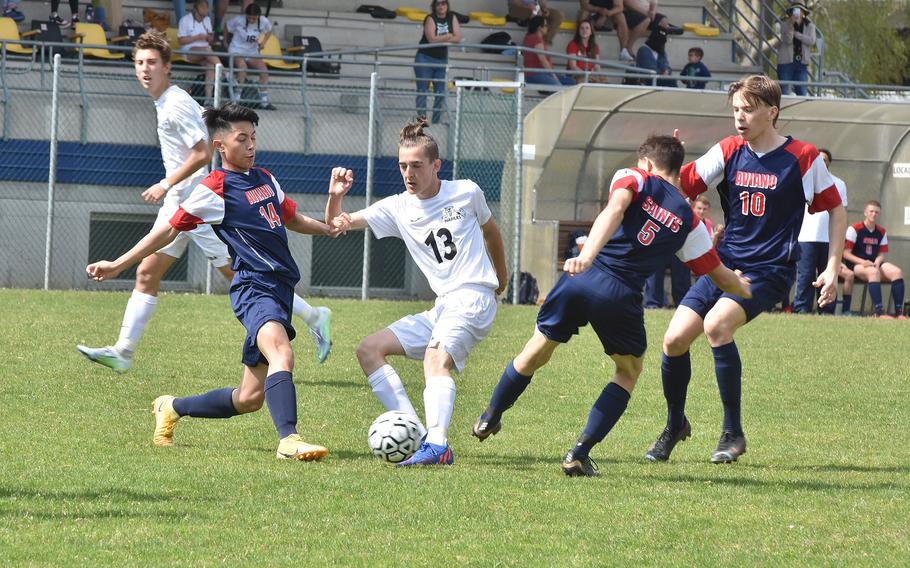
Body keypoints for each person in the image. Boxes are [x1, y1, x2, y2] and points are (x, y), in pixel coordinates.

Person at [471, 135, 751, 477]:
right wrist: (742, 286)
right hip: (620, 295)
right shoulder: (691, 223)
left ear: (646, 163)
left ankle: (490, 416)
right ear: (678, 169)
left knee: (537, 350)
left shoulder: (633, 177)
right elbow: (717, 273)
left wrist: (586, 256)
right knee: (628, 371)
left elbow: (615, 209)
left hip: (580, 278)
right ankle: (578, 452)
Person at [86, 104, 341, 460]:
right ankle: (289, 440)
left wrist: (326, 228)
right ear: (221, 145)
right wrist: (119, 264)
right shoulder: (215, 188)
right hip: (254, 287)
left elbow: (291, 218)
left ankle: (171, 407)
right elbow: (168, 230)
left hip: (280, 289)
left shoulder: (265, 178)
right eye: (242, 138)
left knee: (249, 398)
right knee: (283, 352)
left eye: (253, 137)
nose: (251, 145)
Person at [77, 32, 332, 374]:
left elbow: (203, 151)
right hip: (191, 201)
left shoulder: (175, 103)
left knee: (241, 276)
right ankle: (123, 350)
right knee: (150, 272)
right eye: (139, 63)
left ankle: (312, 319)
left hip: (204, 205)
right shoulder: (169, 101)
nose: (144, 69)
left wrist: (166, 183)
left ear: (167, 67)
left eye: (152, 62)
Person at [645, 75, 845, 464]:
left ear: (772, 112)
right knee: (673, 341)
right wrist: (671, 161)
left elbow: (836, 208)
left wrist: (833, 266)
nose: (740, 117)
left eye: (749, 109)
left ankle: (732, 433)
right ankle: (675, 425)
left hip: (770, 271)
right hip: (725, 265)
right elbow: (681, 185)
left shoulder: (803, 157)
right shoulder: (729, 150)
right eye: (736, 109)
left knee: (717, 326)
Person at [325, 118, 509, 467]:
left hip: (472, 296)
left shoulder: (466, 191)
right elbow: (336, 226)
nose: (408, 174)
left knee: (434, 358)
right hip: (444, 306)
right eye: (403, 166)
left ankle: (438, 447)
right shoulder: (398, 206)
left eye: (417, 166)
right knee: (369, 350)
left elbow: (492, 233)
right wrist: (336, 199)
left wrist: (501, 278)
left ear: (436, 165)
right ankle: (418, 432)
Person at [794, 148, 851, 315]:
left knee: (828, 276)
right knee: (805, 276)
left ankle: (826, 311)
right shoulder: (803, 180)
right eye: (818, 159)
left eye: (824, 160)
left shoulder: (839, 184)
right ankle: (801, 310)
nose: (821, 162)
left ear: (829, 163)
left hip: (828, 240)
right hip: (805, 238)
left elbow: (841, 213)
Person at [844, 201, 906, 319]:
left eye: (876, 212)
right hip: (856, 264)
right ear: (865, 213)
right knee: (873, 272)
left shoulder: (881, 231)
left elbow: (881, 254)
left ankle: (899, 312)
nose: (874, 214)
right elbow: (845, 254)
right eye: (871, 211)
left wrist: (877, 261)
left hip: (874, 263)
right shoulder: (854, 229)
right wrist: (863, 262)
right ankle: (879, 312)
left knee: (896, 272)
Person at [415, 0, 461, 125]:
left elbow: (458, 38)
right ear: (434, 6)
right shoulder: (430, 18)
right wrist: (447, 36)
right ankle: (422, 122)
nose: (441, 6)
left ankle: (435, 121)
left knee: (440, 92)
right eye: (438, 4)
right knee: (422, 91)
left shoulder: (452, 17)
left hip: (441, 59)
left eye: (443, 3)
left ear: (447, 5)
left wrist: (444, 38)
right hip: (425, 58)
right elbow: (431, 39)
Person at [225, 3, 275, 110]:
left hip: (252, 52)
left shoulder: (263, 21)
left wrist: (263, 42)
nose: (252, 20)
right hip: (237, 50)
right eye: (250, 17)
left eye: (254, 18)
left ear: (258, 16)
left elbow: (269, 30)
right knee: (242, 68)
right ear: (246, 15)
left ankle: (264, 102)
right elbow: (227, 26)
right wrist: (225, 42)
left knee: (264, 71)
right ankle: (236, 99)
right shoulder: (238, 20)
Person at [178, 0, 221, 105]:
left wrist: (209, 38)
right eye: (201, 15)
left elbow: (210, 38)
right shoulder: (185, 20)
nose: (202, 18)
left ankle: (208, 99)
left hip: (206, 53)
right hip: (189, 51)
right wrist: (197, 37)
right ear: (195, 11)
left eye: (204, 16)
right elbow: (181, 41)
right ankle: (226, 72)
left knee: (211, 65)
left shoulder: (207, 20)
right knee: (207, 51)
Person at [523, 16, 576, 87]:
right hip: (536, 74)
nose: (547, 27)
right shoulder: (536, 39)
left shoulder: (531, 37)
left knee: (572, 82)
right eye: (545, 25)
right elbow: (543, 60)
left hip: (541, 74)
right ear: (539, 28)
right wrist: (554, 76)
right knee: (558, 87)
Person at [777, 1, 816, 96]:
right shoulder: (785, 25)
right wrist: (791, 25)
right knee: (784, 92)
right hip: (786, 63)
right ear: (791, 13)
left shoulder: (810, 26)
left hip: (801, 64)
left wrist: (797, 35)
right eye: (794, 11)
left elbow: (811, 41)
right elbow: (788, 40)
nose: (797, 13)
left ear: (803, 13)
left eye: (799, 11)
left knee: (802, 92)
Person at [633, 15, 676, 87]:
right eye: (659, 40)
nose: (661, 44)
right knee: (670, 81)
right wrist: (663, 73)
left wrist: (666, 70)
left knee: (671, 80)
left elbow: (666, 65)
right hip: (648, 81)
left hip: (660, 79)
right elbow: (650, 71)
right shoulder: (644, 50)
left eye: (662, 41)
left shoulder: (661, 50)